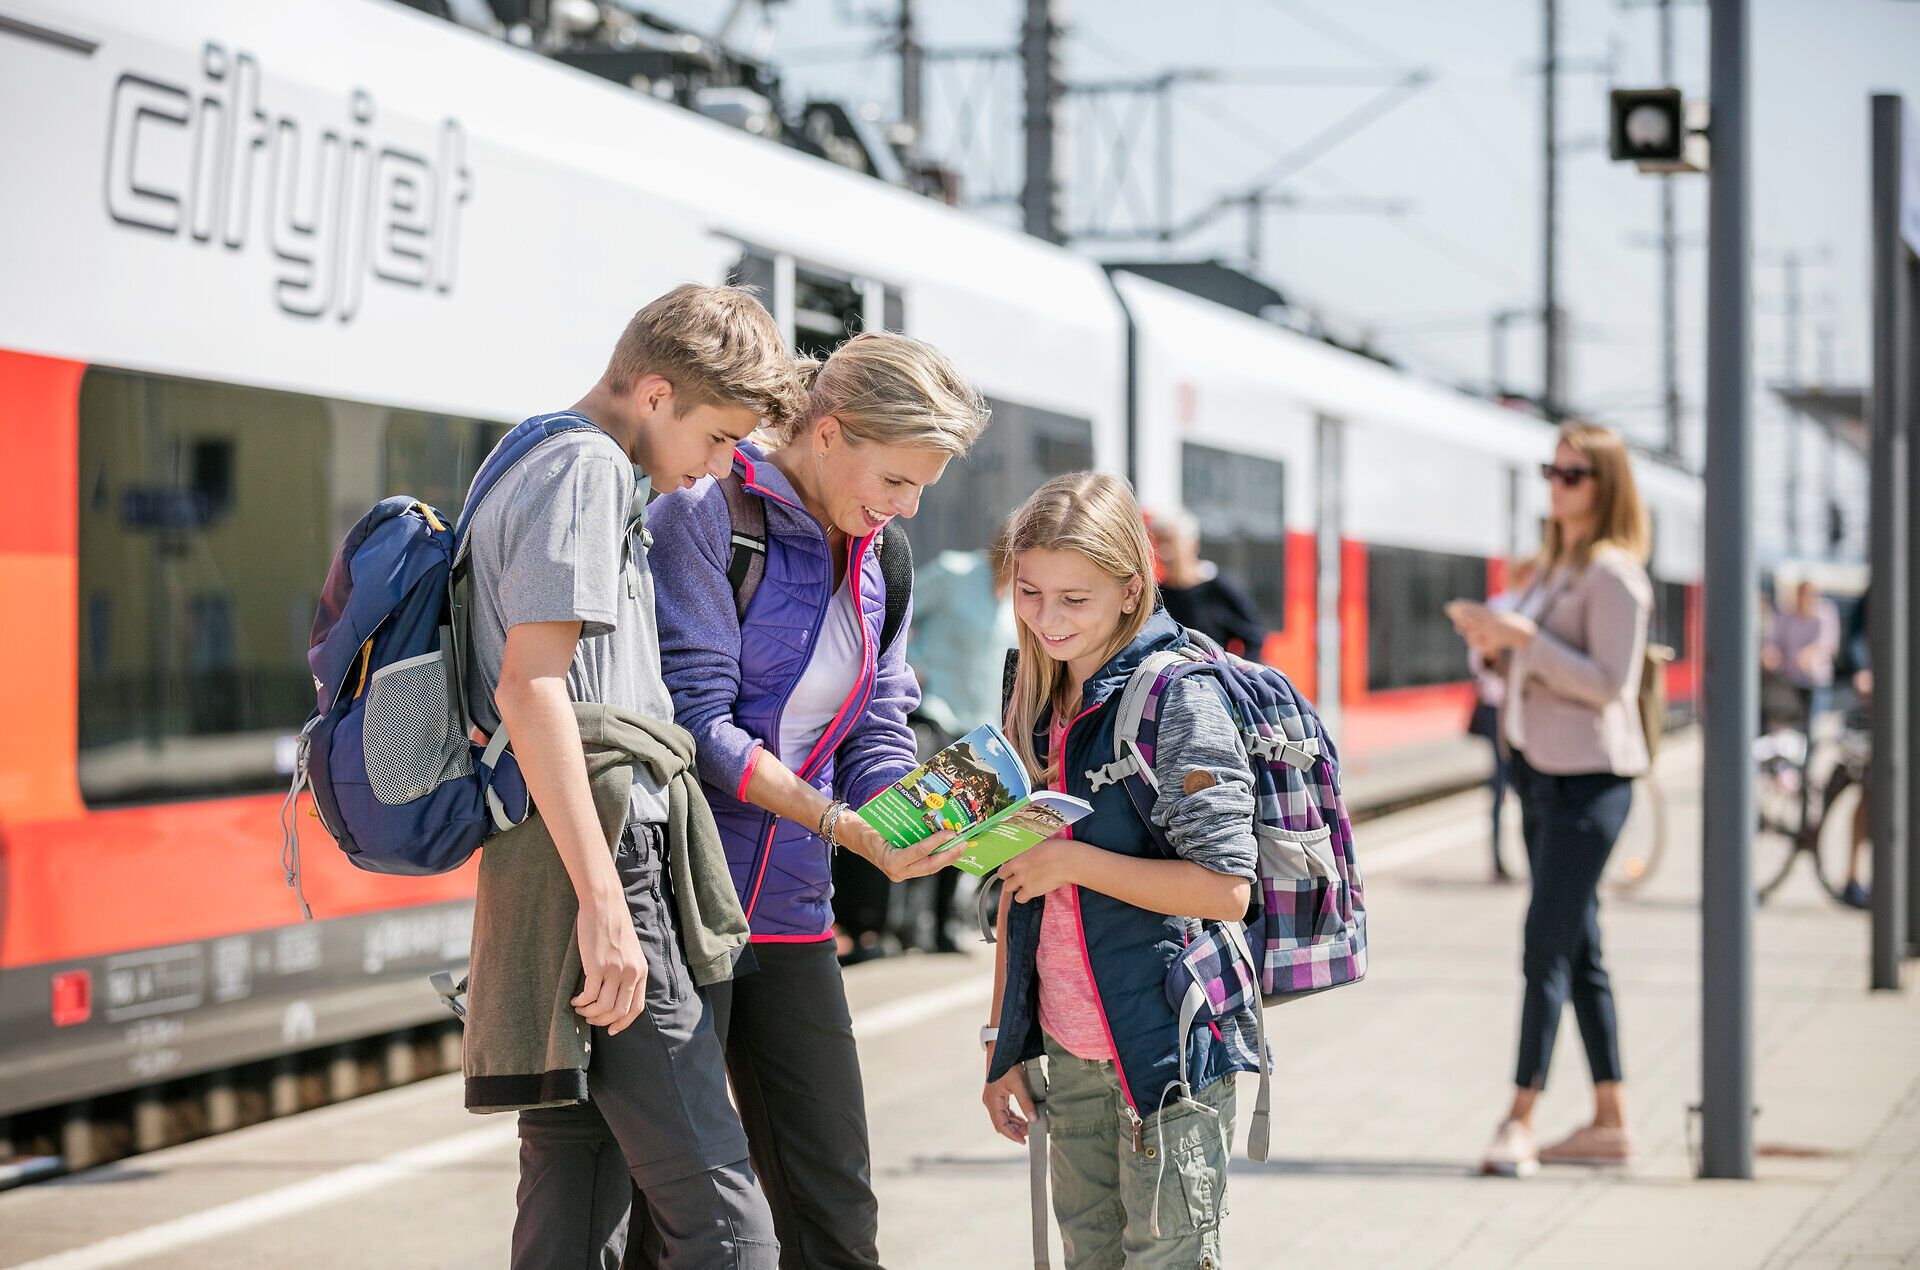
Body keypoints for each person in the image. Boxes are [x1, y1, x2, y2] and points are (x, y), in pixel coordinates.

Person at [465, 284, 800, 1268]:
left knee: (576, 1196)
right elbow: (532, 687)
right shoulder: (587, 471)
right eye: (721, 434)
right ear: (655, 394)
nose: (723, 465)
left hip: (549, 851)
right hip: (604, 854)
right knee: (721, 1209)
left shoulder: (526, 449)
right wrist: (606, 902)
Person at [648, 331, 991, 1267]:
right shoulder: (707, 516)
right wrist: (837, 821)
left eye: (922, 487)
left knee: (833, 1204)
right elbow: (699, 721)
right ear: (830, 433)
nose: (906, 506)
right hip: (685, 905)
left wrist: (910, 818)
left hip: (794, 910)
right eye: (895, 480)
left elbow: (879, 715)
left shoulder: (886, 558)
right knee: (677, 1216)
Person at [981, 472, 1263, 1269]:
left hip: (1166, 1055)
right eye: (1031, 593)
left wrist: (1072, 859)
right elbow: (1017, 881)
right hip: (1070, 1053)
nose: (1046, 618)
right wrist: (1003, 1040)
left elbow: (1226, 889)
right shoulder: (1033, 693)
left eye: (1076, 599)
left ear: (1131, 588)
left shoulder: (1178, 699)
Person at [1447, 422, 1653, 1178]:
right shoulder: (1557, 566)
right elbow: (1524, 656)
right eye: (1552, 470)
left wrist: (1525, 636)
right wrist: (1494, 639)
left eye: (1573, 473)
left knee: (1543, 948)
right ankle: (1611, 1122)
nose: (1557, 484)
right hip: (1541, 773)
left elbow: (1608, 683)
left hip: (1591, 783)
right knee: (1581, 948)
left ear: (1606, 485)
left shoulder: (1613, 573)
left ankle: (1517, 1121)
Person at [904, 532, 1020, 951]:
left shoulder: (1018, 601)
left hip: (981, 728)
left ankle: (943, 925)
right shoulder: (954, 572)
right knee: (924, 821)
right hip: (935, 712)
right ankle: (907, 925)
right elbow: (894, 614)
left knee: (964, 829)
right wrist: (910, 667)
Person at [1467, 558, 1536, 883]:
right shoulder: (1501, 606)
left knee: (1528, 787)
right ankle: (1497, 860)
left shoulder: (1539, 604)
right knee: (1501, 785)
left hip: (1531, 707)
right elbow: (1479, 661)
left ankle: (1533, 858)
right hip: (1501, 707)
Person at [1147, 507, 1268, 660]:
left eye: (1170, 542)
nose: (1164, 552)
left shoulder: (1220, 588)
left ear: (1192, 544)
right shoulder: (1157, 596)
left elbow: (1253, 637)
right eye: (1159, 543)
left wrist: (1233, 674)